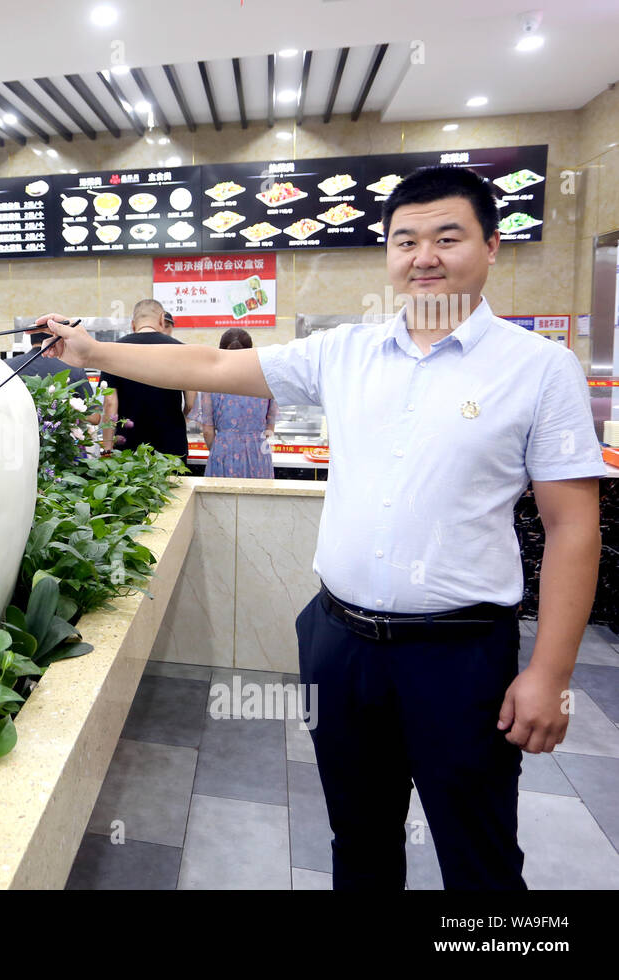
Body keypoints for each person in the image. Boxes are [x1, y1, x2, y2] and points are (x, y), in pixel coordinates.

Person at [34, 165, 606, 890]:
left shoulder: (540, 368)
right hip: (341, 645)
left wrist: (550, 674)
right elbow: (210, 361)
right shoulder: (345, 352)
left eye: (446, 237)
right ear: (390, 254)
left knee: (479, 852)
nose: (423, 256)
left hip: (459, 655)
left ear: (492, 246)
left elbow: (572, 528)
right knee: (358, 838)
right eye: (405, 241)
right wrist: (90, 353)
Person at [97, 298, 192, 457]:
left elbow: (109, 403)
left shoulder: (112, 351)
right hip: (171, 446)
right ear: (162, 320)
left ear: (133, 325)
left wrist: (107, 447)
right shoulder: (183, 351)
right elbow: (190, 402)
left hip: (128, 447)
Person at [192, 328, 279, 479]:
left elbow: (207, 431)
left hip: (223, 452)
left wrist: (220, 448)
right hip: (258, 453)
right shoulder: (266, 380)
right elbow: (270, 427)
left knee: (222, 500)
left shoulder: (210, 383)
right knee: (259, 498)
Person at [6, 331, 101, 427]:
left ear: (31, 340)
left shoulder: (6, 366)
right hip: (60, 440)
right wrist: (65, 413)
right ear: (56, 339)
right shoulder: (73, 367)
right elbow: (95, 417)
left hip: (16, 437)